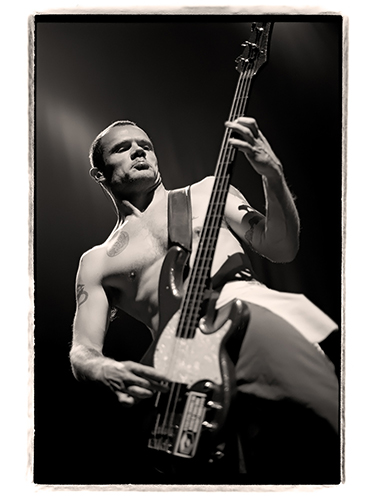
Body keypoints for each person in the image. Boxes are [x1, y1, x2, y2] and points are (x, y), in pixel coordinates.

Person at [69, 117, 340, 484]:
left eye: (145, 145)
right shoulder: (97, 260)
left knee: (324, 429)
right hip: (183, 373)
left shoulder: (205, 193)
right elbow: (83, 350)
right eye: (122, 148)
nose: (139, 150)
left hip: (250, 319)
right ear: (99, 173)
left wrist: (272, 174)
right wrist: (104, 370)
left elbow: (281, 247)